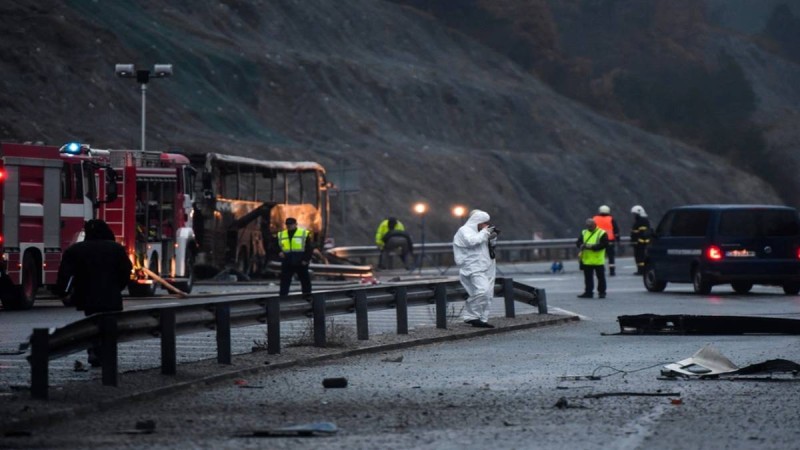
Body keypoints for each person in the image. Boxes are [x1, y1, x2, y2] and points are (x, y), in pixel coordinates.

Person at [56, 220, 133, 366]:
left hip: (87, 296)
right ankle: (106, 355)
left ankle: (94, 351)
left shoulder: (75, 250)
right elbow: (125, 271)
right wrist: (118, 287)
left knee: (92, 325)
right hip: (111, 297)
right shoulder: (116, 249)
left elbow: (65, 275)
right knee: (109, 327)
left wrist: (64, 293)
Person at [453, 209, 497, 328]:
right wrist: (485, 232)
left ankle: (482, 318)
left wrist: (492, 238)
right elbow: (472, 241)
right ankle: (471, 316)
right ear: (476, 221)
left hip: (486, 265)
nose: (486, 225)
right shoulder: (464, 231)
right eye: (484, 223)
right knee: (483, 290)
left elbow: (487, 248)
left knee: (488, 294)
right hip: (472, 267)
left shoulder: (481, 232)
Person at [276, 217, 313, 297]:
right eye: (288, 224)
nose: (289, 226)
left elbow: (309, 249)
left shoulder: (303, 234)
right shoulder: (282, 234)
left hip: (300, 261)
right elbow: (275, 246)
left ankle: (307, 296)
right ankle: (283, 297)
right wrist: (279, 252)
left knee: (305, 280)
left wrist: (305, 260)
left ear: (295, 224)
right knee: (285, 281)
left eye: (291, 224)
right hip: (287, 261)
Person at [576, 218, 609, 298]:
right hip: (587, 260)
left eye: (590, 226)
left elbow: (604, 244)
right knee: (588, 278)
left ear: (595, 225)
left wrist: (592, 247)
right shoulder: (584, 232)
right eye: (588, 226)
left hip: (598, 260)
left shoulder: (602, 233)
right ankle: (588, 292)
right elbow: (578, 242)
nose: (589, 228)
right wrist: (581, 245)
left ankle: (602, 292)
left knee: (600, 278)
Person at [593, 205, 620, 276]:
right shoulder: (611, 219)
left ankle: (600, 269)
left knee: (599, 256)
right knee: (611, 256)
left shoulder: (595, 219)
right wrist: (617, 239)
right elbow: (616, 230)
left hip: (598, 240)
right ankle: (612, 271)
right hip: (609, 241)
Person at [630, 205, 652, 275]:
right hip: (637, 242)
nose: (634, 216)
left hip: (641, 243)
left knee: (641, 257)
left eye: (635, 214)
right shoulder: (639, 221)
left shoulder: (642, 221)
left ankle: (641, 270)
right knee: (638, 257)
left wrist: (639, 241)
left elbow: (643, 233)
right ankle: (640, 270)